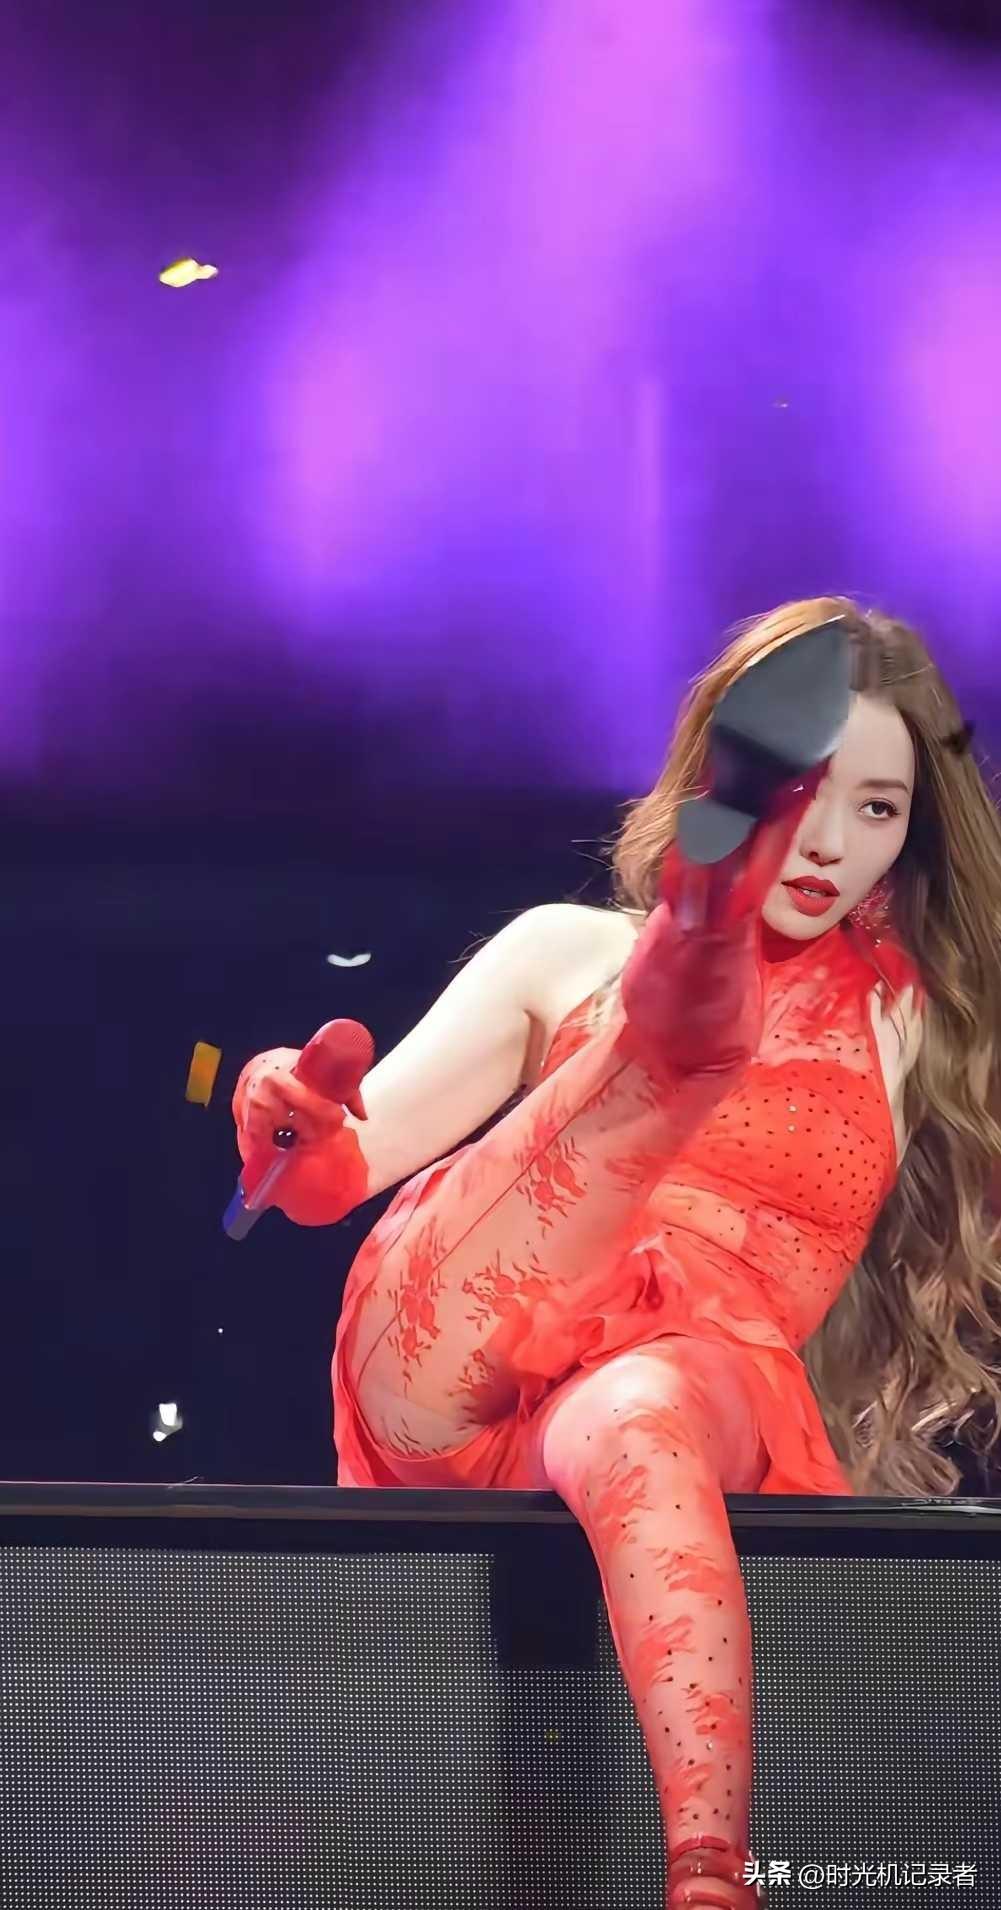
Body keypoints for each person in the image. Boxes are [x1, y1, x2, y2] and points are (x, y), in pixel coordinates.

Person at [232, 596, 1001, 1909]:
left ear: (911, 831)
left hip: (676, 1391)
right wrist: (286, 1120)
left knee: (642, 1402)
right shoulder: (561, 950)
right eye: (794, 793)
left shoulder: (918, 1022)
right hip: (460, 1362)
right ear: (714, 780)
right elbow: (334, 1177)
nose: (829, 841)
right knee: (629, 1098)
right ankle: (688, 989)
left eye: (875, 808)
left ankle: (708, 1880)